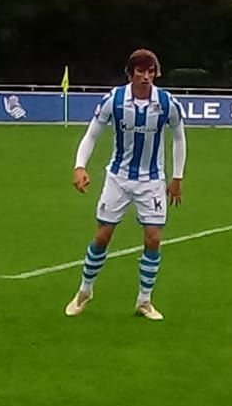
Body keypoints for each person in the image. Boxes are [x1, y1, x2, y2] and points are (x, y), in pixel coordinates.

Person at [65, 49, 187, 321]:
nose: (146, 76)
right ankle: (85, 291)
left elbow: (179, 138)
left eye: (151, 71)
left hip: (152, 180)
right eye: (140, 71)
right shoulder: (115, 100)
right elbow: (92, 134)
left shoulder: (166, 103)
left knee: (153, 239)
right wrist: (80, 166)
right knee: (102, 236)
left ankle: (144, 300)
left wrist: (177, 177)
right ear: (131, 73)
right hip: (118, 178)